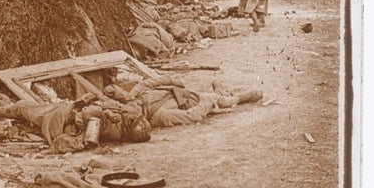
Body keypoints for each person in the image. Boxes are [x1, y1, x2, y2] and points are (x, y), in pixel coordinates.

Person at [102, 69, 262, 128]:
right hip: (193, 102)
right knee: (220, 101)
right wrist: (207, 103)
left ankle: (220, 94)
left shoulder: (136, 95)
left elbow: (152, 81)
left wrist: (172, 80)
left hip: (181, 93)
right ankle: (240, 97)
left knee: (209, 96)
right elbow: (192, 116)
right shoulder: (159, 116)